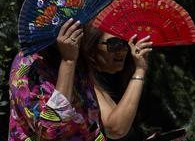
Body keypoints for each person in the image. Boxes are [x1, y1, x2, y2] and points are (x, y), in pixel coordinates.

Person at [8, 17, 152, 140]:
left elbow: (115, 127)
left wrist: (139, 70)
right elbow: (51, 130)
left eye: (124, 43)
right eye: (114, 44)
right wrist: (68, 61)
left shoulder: (78, 67)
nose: (123, 49)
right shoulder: (29, 63)